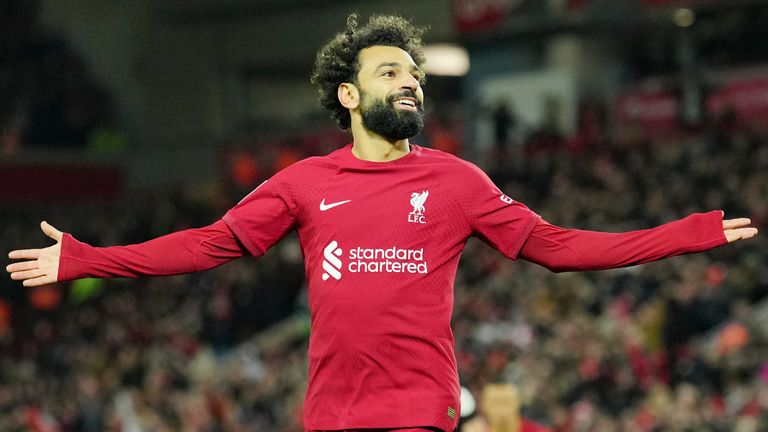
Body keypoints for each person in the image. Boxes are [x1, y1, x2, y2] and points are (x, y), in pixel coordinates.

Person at [5, 14, 758, 432]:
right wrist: (88, 260)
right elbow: (208, 246)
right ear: (347, 95)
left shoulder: (458, 180)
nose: (410, 82)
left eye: (415, 73)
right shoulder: (303, 182)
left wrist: (682, 234)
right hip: (331, 415)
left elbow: (559, 248)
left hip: (417, 412)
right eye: (391, 71)